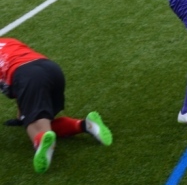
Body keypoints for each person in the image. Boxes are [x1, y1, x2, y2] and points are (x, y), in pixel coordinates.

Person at [0, 38, 113, 173]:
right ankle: (85, 125)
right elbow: (21, 90)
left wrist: (27, 119)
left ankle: (41, 143)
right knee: (44, 122)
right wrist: (21, 118)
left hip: (28, 76)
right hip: (51, 69)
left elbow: (21, 81)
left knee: (38, 129)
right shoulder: (8, 41)